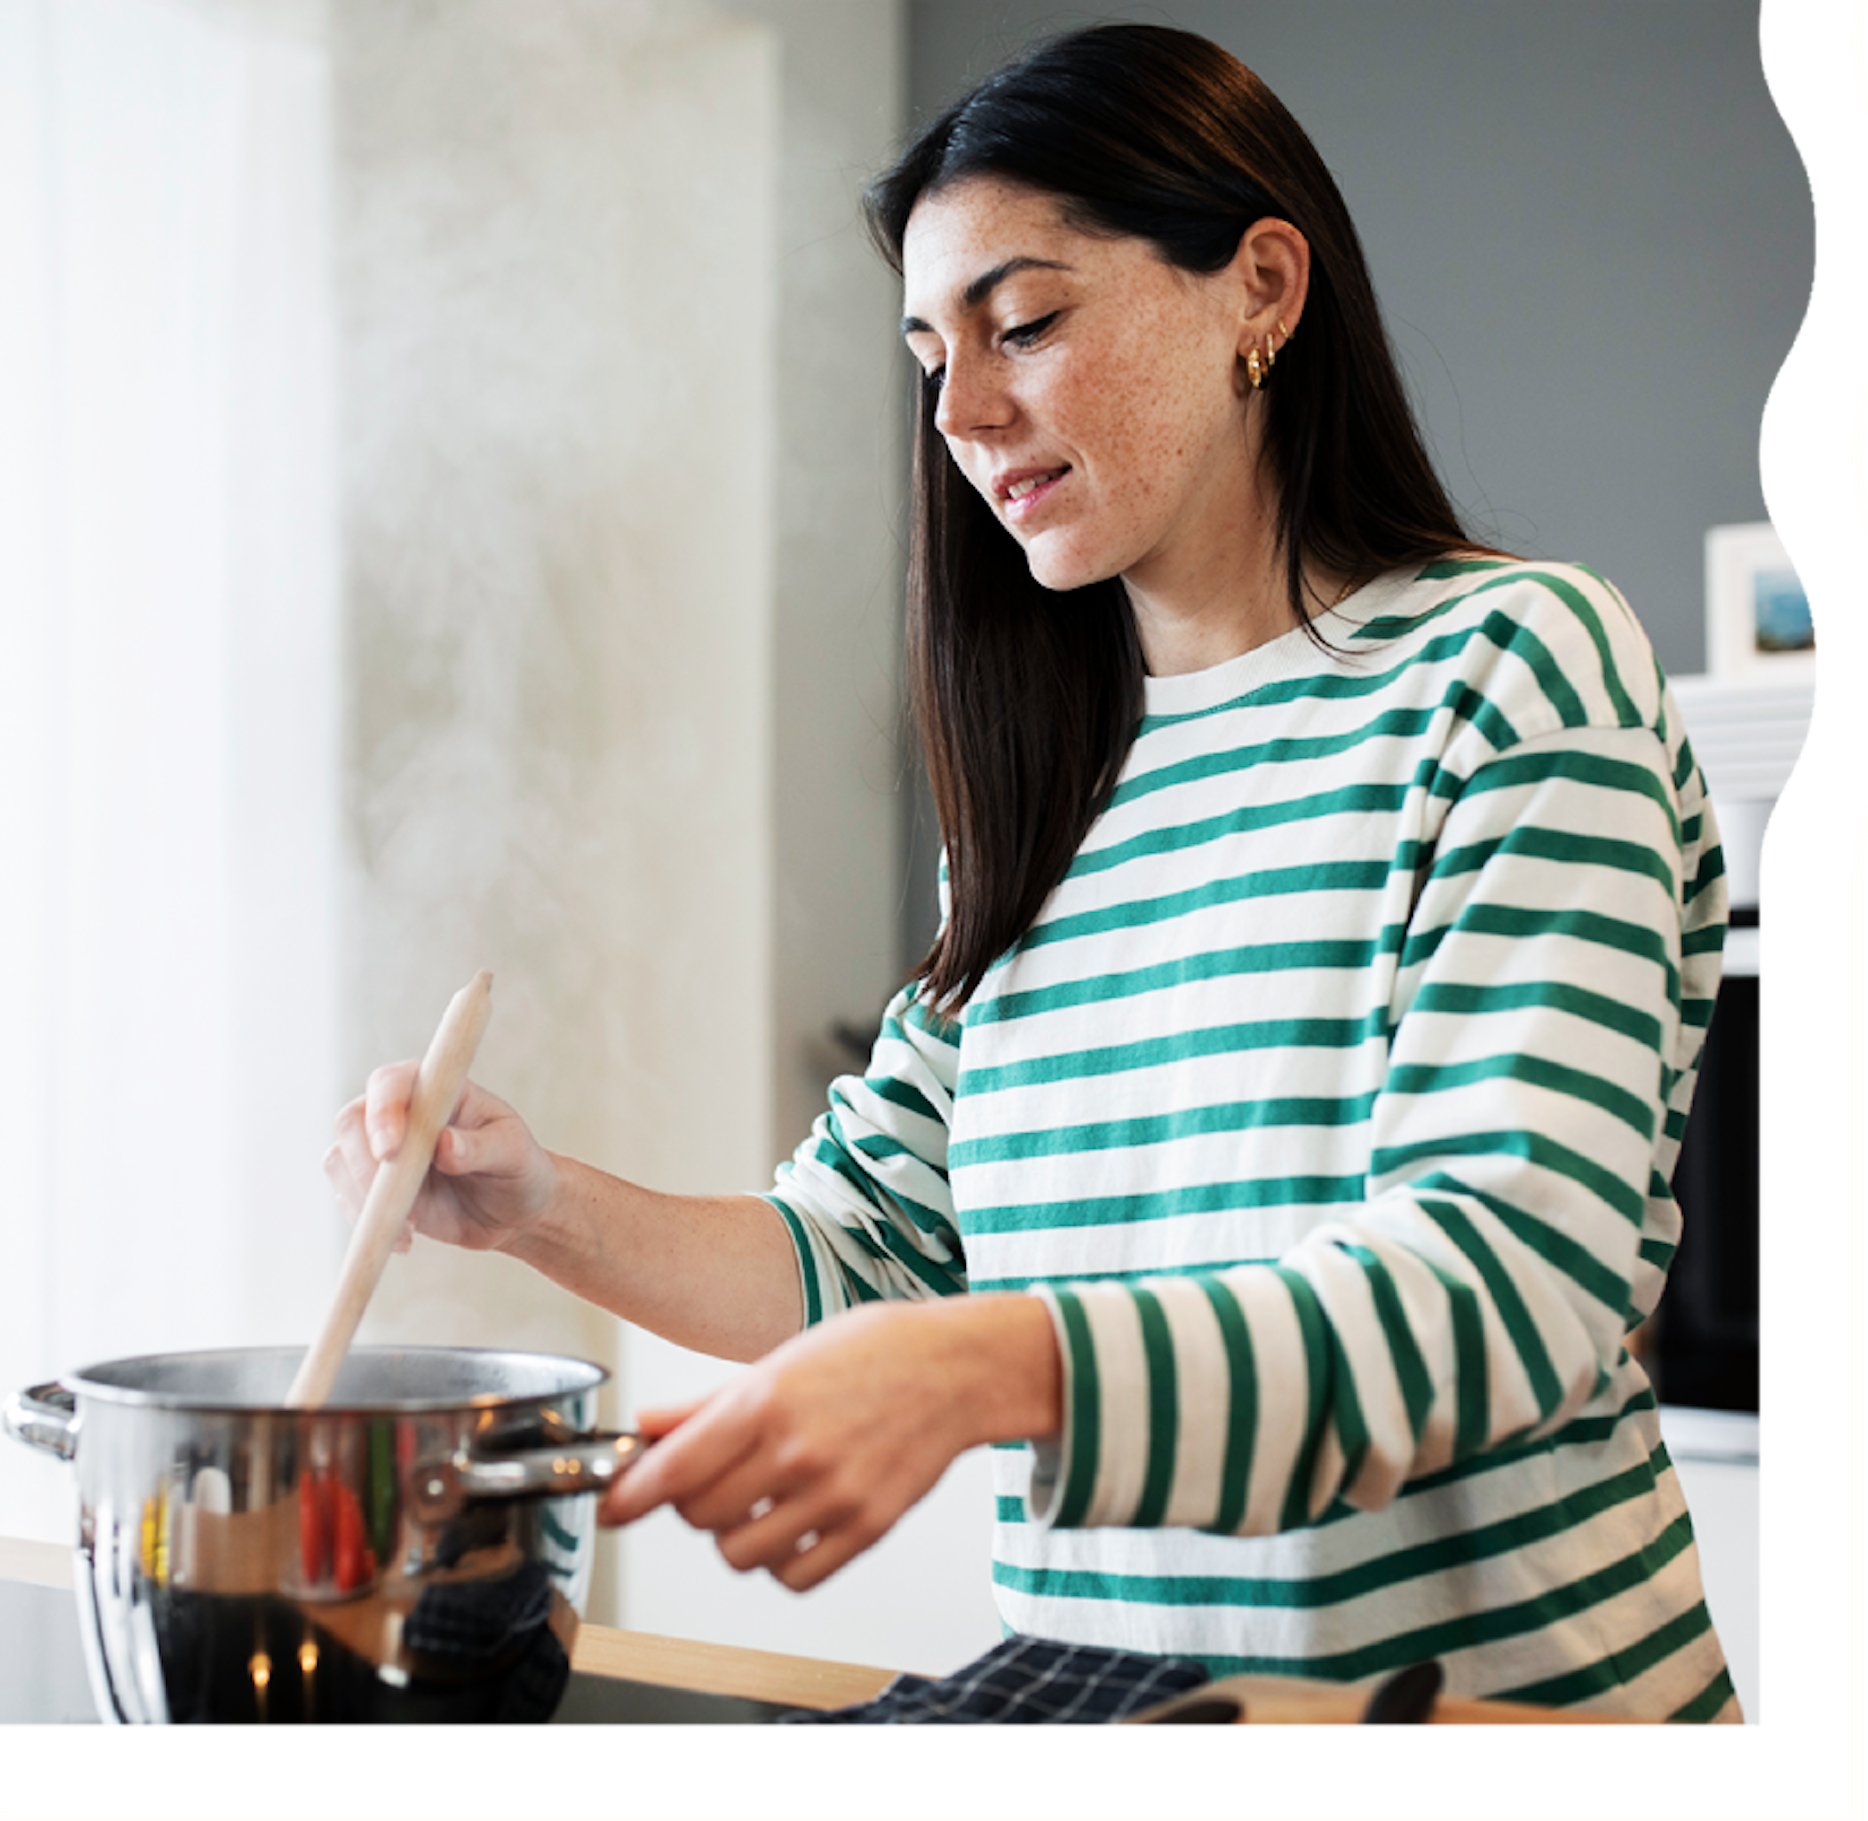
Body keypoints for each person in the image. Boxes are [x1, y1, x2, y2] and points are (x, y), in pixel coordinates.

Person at [326, 23, 1742, 1724]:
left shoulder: (1512, 668)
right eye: (932, 354)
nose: (965, 411)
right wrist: (541, 1205)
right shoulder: (1048, 789)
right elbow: (862, 1253)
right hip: (1121, 1709)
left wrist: (1000, 1359)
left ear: (1260, 292)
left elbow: (1500, 1286)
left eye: (1028, 323)